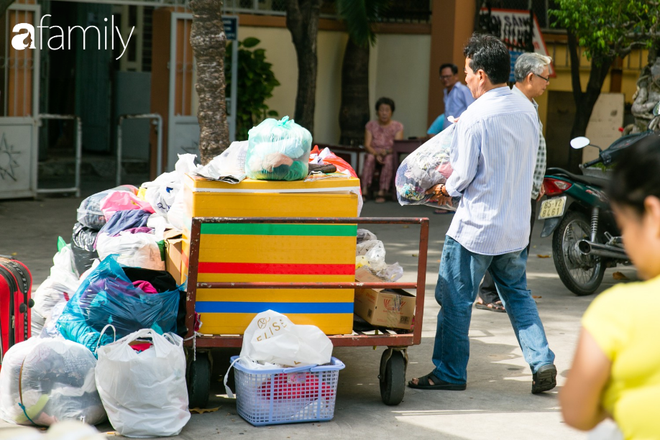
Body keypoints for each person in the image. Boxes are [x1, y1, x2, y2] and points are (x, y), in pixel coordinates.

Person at [408, 34, 556, 394]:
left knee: (455, 299)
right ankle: (542, 361)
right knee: (517, 294)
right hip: (516, 227)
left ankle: (449, 372)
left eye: (468, 72)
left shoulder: (475, 116)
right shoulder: (526, 110)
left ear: (482, 74)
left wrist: (442, 189)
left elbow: (460, 177)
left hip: (476, 228)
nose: (466, 79)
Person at [559, 133, 660, 438]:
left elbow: (576, 412)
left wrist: (612, 398)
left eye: (626, 225)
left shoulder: (621, 310)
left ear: (653, 215)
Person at [476, 52, 552, 313]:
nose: (547, 83)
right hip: (516, 188)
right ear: (530, 77)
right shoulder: (516, 104)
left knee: (516, 244)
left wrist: (537, 179)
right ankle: (489, 293)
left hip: (526, 186)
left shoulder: (529, 104)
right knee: (506, 244)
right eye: (545, 78)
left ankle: (501, 292)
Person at [361, 97, 404, 203]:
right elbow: (367, 144)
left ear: (391, 112)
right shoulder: (370, 125)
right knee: (370, 158)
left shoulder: (398, 126)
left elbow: (397, 146)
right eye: (381, 110)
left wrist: (385, 153)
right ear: (377, 112)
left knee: (389, 159)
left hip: (389, 153)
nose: (384, 113)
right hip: (373, 152)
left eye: (387, 110)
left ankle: (382, 191)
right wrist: (376, 154)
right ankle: (365, 189)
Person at [427, 63, 475, 137]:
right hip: (448, 133)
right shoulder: (446, 92)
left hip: (460, 133)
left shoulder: (462, 90)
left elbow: (472, 110)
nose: (445, 79)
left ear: (456, 76)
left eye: (448, 76)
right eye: (442, 77)